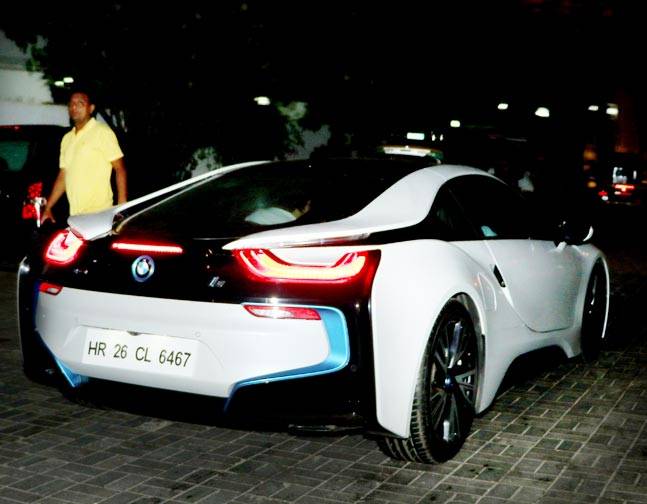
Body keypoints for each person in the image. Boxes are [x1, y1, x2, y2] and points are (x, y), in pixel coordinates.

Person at [40, 89, 127, 224]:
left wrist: (121, 208)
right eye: (72, 104)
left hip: (99, 214)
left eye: (80, 104)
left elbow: (120, 169)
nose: (75, 107)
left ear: (91, 108)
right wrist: (48, 207)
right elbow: (63, 175)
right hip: (76, 216)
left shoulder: (102, 132)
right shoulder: (67, 139)